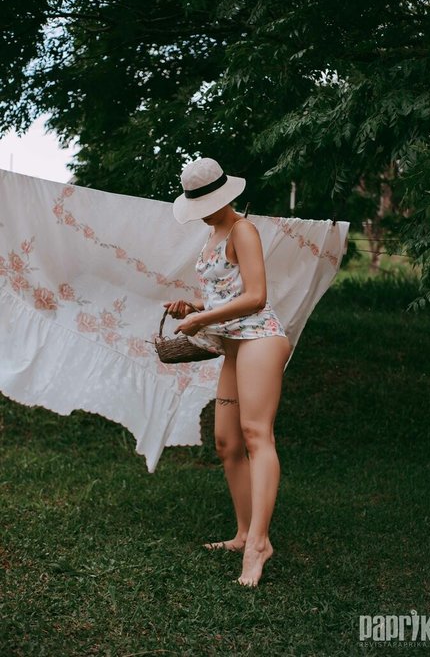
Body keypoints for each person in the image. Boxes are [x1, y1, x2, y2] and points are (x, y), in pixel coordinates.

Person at [164, 157, 292, 587]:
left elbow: (256, 296)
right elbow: (224, 294)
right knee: (226, 442)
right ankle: (242, 533)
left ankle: (259, 544)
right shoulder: (213, 234)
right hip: (234, 346)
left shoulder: (243, 230)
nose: (199, 213)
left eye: (202, 204)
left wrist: (201, 320)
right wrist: (192, 306)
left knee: (257, 436)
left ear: (221, 197)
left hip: (259, 340)